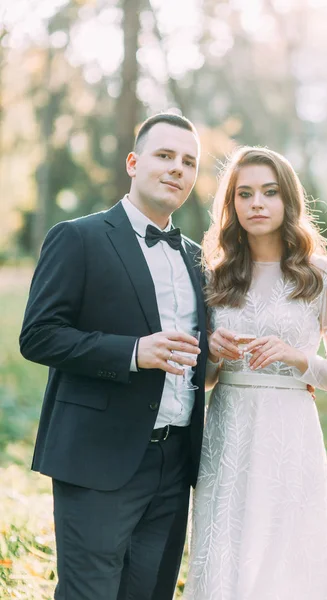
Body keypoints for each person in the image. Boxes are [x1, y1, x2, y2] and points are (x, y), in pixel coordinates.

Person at [19, 113, 208, 600]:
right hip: (97, 457)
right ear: (133, 161)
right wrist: (133, 352)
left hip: (175, 461)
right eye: (164, 155)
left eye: (188, 162)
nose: (177, 169)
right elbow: (38, 335)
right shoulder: (78, 237)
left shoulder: (197, 257)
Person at [183, 146, 327, 600]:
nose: (257, 203)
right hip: (228, 429)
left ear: (288, 201)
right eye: (244, 194)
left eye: (269, 192)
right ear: (233, 205)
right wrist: (213, 353)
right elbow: (203, 379)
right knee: (226, 542)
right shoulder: (217, 274)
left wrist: (299, 358)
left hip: (291, 430)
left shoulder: (324, 275)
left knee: (289, 546)